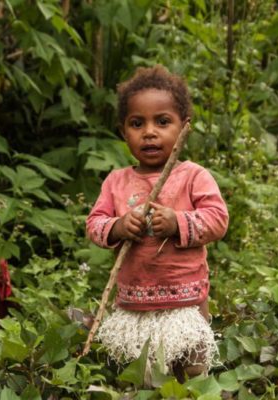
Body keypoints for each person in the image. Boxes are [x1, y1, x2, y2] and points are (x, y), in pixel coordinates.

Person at [85, 65, 229, 381]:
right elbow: (94, 223)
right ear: (124, 131)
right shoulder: (116, 182)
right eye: (137, 124)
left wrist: (180, 223)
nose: (149, 132)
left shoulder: (193, 176)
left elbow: (218, 220)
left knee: (191, 370)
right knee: (144, 374)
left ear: (183, 127)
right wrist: (118, 227)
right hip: (135, 304)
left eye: (162, 122)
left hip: (186, 302)